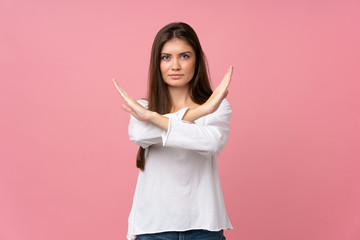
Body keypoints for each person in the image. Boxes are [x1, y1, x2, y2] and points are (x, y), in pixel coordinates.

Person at [113, 22, 233, 240]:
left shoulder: (218, 105)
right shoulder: (144, 107)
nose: (175, 65)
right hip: (153, 228)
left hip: (204, 228)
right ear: (157, 63)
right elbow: (139, 135)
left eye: (184, 56)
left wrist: (155, 120)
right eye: (166, 57)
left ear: (196, 61)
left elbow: (212, 143)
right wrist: (200, 112)